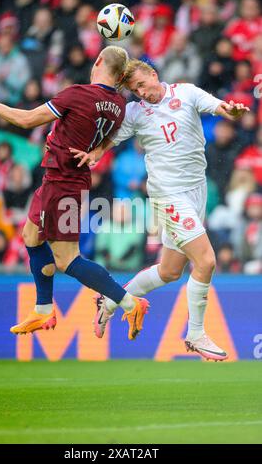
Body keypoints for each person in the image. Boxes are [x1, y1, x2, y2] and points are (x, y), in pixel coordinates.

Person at [70, 59, 249, 361]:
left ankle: (109, 301)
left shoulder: (187, 93)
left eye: (142, 84)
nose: (142, 93)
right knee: (205, 261)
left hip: (195, 192)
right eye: (135, 90)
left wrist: (228, 110)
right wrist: (95, 153)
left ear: (154, 74)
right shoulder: (136, 112)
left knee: (169, 271)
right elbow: (111, 139)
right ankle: (195, 334)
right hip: (168, 195)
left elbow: (216, 106)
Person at [0, 47, 149, 340]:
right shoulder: (117, 104)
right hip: (67, 180)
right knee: (31, 236)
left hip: (62, 182)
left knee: (67, 259)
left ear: (97, 62)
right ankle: (43, 308)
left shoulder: (78, 94)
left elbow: (29, 120)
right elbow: (105, 138)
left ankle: (129, 302)